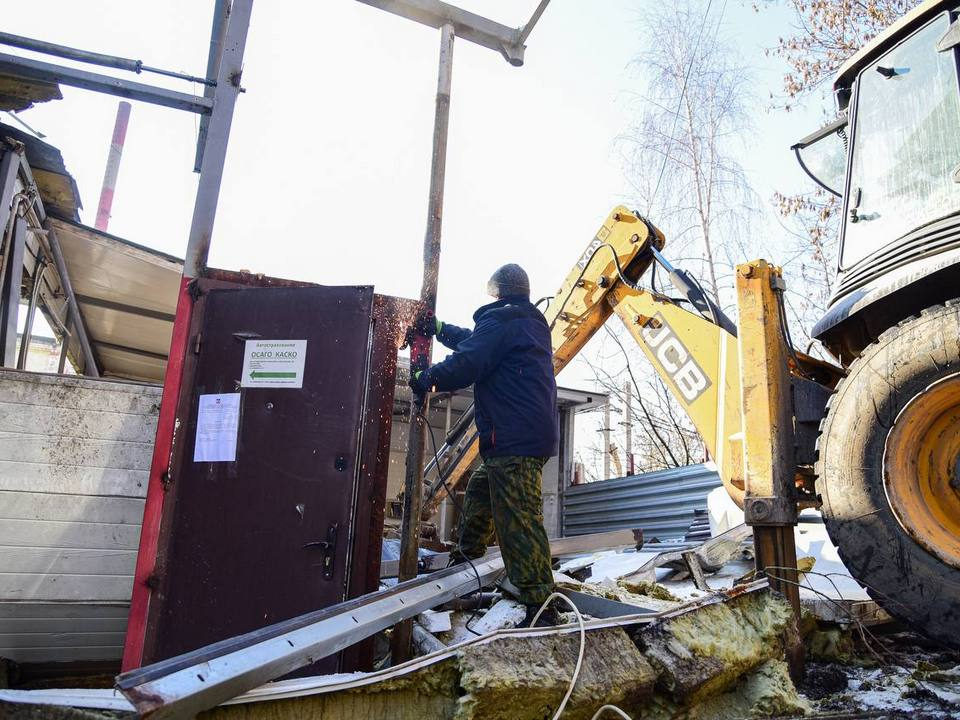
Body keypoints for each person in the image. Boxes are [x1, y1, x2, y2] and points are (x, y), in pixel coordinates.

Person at [409, 263, 560, 626]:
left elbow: (470, 360)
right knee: (480, 493)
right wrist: (442, 330)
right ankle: (466, 564)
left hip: (512, 439)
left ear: (496, 292)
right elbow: (478, 344)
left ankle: (538, 599)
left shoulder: (502, 323)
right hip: (527, 435)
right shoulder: (525, 322)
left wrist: (425, 378)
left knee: (519, 519)